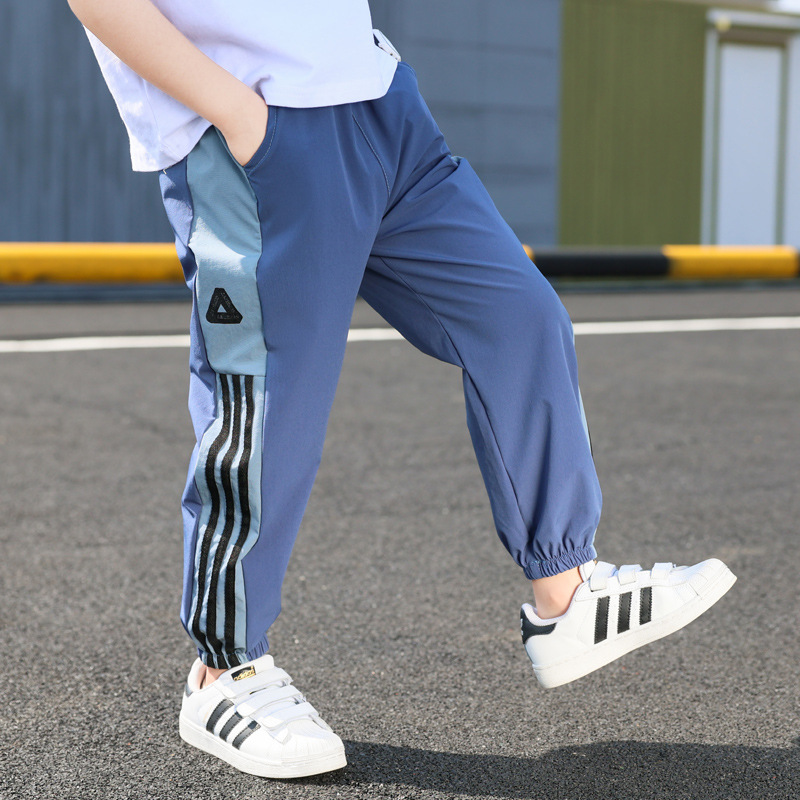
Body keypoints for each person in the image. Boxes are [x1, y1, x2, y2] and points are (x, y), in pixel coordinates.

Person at [68, 0, 736, 780]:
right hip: (254, 126)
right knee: (269, 401)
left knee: (519, 320)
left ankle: (565, 591)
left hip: (379, 102)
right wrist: (237, 116)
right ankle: (225, 672)